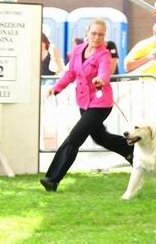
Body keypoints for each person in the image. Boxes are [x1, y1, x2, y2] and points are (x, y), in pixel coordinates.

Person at [40, 19, 134, 192]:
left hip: (100, 104)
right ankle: (133, 152)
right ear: (87, 32)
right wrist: (56, 88)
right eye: (93, 33)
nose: (97, 37)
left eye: (101, 34)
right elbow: (70, 74)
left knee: (74, 138)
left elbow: (105, 72)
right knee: (101, 137)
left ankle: (52, 179)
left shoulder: (104, 54)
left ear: (104, 35)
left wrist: (100, 80)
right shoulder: (77, 50)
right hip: (84, 102)